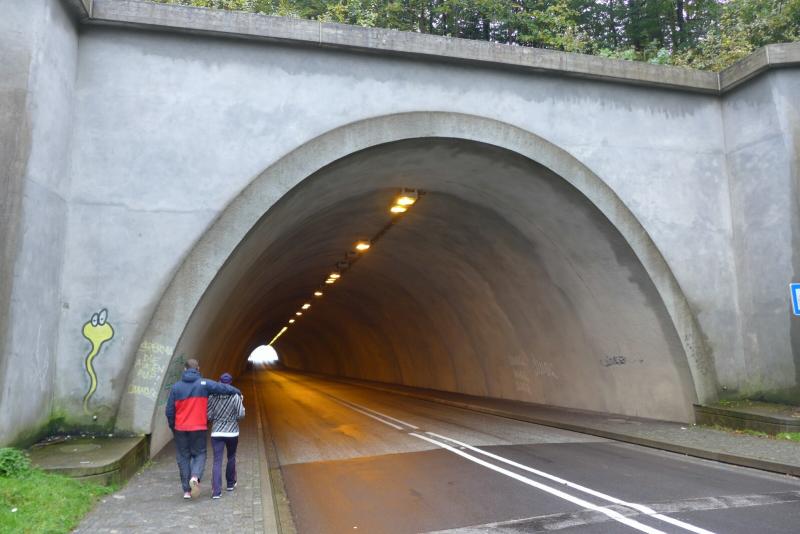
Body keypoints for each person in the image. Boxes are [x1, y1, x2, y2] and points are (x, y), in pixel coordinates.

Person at [165, 359, 241, 499]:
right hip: (198, 427)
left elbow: (169, 411)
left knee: (183, 457)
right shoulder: (204, 384)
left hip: (180, 428)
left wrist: (173, 427)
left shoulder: (176, 388)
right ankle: (195, 477)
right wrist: (237, 391)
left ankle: (187, 491)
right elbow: (223, 388)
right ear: (198, 369)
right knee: (200, 454)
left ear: (184, 369)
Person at [207, 373, 245, 499]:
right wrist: (233, 417)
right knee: (231, 457)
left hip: (217, 432)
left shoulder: (212, 396)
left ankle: (216, 492)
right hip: (232, 432)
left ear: (219, 382)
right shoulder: (235, 396)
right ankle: (230, 484)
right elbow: (241, 414)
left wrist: (217, 418)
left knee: (217, 460)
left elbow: (208, 416)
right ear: (230, 383)